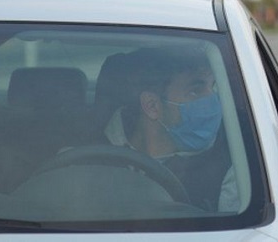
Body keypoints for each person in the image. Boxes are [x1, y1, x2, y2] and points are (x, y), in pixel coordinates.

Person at [100, 47, 238, 212]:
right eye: (195, 91)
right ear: (152, 105)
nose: (212, 101)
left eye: (213, 87)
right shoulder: (83, 156)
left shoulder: (233, 169)